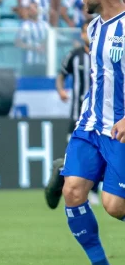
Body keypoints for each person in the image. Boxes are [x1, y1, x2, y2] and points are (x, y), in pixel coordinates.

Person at [58, 0, 125, 265]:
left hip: (120, 130)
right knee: (72, 190)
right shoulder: (95, 27)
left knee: (114, 206)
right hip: (90, 126)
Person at [45, 19, 95, 209]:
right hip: (79, 116)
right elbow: (61, 74)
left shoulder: (105, 53)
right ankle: (66, 172)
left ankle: (69, 174)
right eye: (85, 32)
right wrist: (60, 90)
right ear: (81, 35)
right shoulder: (74, 56)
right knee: (79, 156)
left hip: (102, 118)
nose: (88, 35)